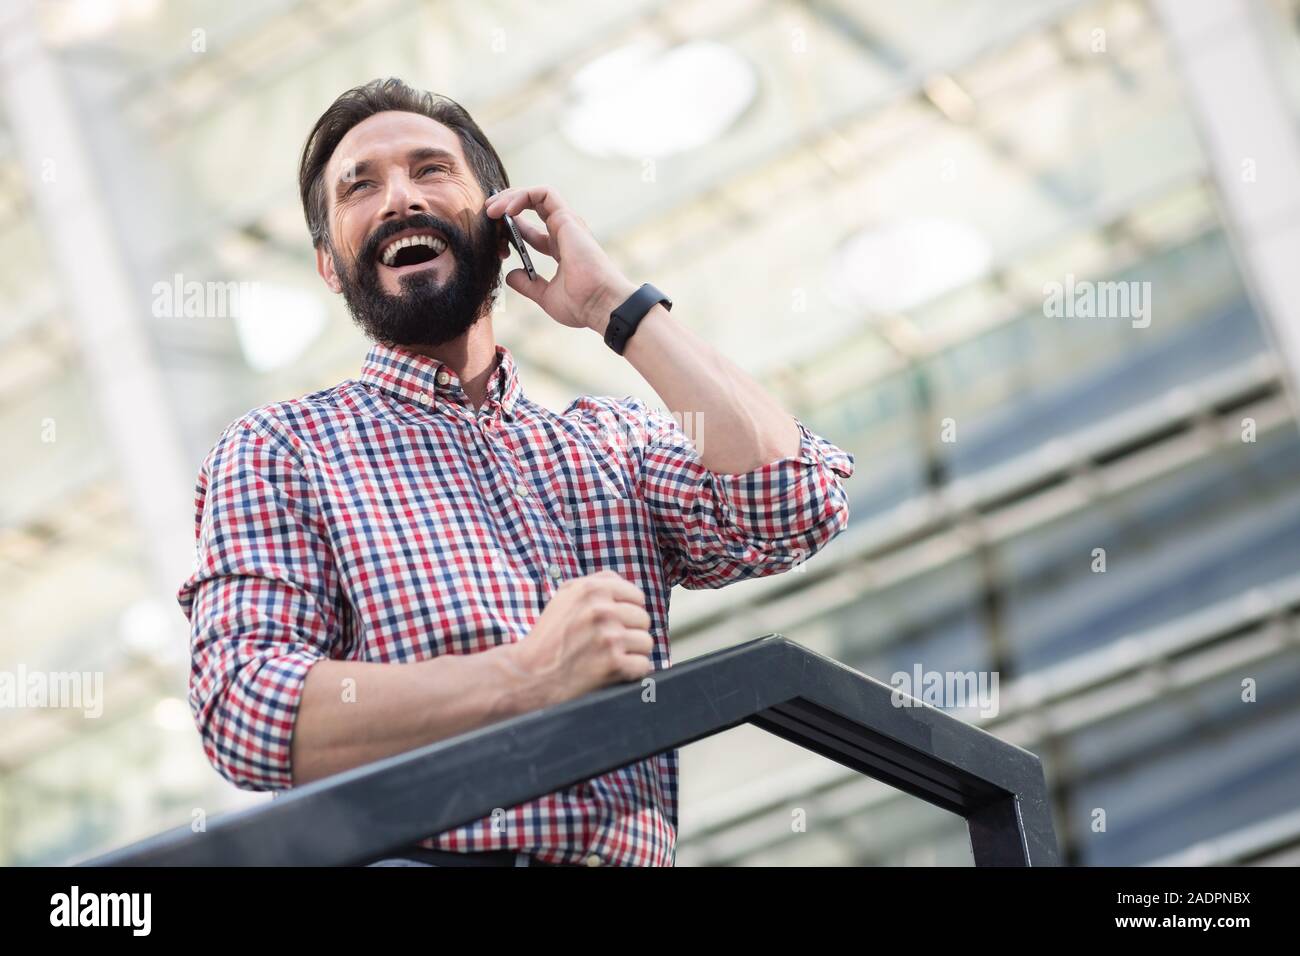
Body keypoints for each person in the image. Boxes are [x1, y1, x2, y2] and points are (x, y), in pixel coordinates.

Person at [178, 77, 856, 867]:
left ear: (504, 231)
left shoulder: (608, 445)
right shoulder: (283, 448)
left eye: (431, 170)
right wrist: (526, 677)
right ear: (331, 265)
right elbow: (247, 707)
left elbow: (794, 503)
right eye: (360, 185)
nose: (399, 197)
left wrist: (613, 304)